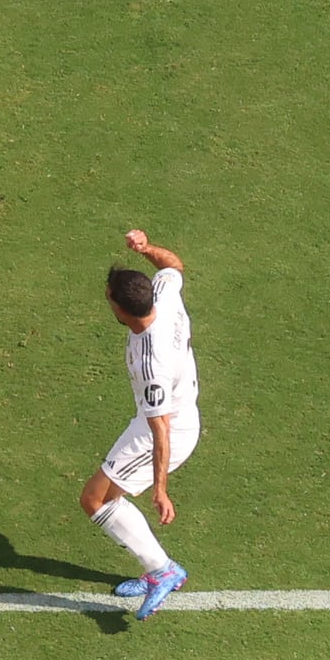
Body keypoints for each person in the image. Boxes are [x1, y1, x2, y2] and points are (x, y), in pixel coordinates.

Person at [82, 229, 198, 619]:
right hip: (171, 416)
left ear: (123, 312)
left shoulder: (152, 363)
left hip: (166, 430)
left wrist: (161, 490)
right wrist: (147, 249)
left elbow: (159, 429)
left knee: (95, 499)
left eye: (109, 300)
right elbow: (173, 265)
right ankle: (156, 569)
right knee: (104, 497)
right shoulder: (162, 296)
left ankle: (162, 571)